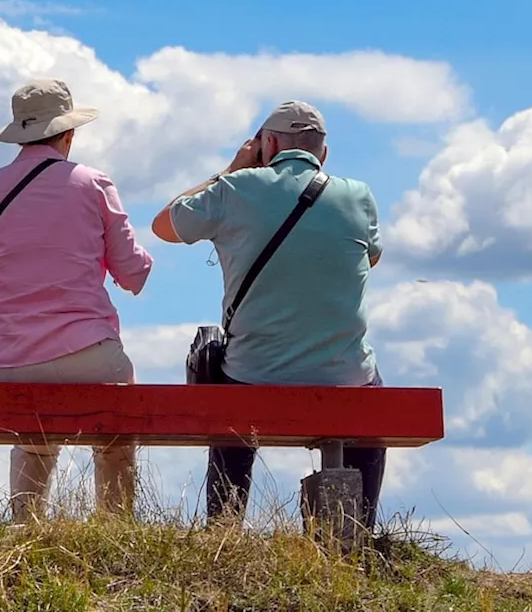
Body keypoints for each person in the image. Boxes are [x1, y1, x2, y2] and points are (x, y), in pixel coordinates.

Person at [150, 100, 386, 530]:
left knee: (224, 378)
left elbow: (164, 224)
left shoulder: (236, 189)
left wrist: (233, 168)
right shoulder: (359, 195)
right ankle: (357, 531)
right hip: (343, 375)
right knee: (371, 388)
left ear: (268, 144)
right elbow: (371, 258)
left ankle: (224, 529)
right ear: (323, 153)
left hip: (253, 374)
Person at [0, 78, 154, 523]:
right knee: (117, 429)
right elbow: (133, 273)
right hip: (86, 353)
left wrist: (10, 311)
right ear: (68, 133)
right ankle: (115, 525)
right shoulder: (92, 182)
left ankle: (27, 526)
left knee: (33, 433)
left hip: (0, 362)